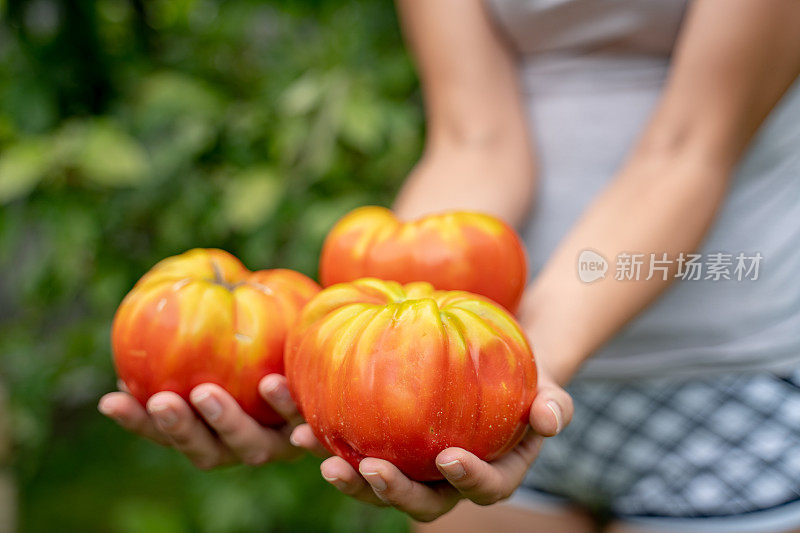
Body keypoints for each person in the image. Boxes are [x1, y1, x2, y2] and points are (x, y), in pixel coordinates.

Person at [99, 0, 800, 531]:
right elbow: (475, 136)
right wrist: (353, 376)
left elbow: (688, 148)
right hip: (473, 399)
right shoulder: (479, 379)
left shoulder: (510, 368)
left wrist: (514, 365)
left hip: (716, 374)